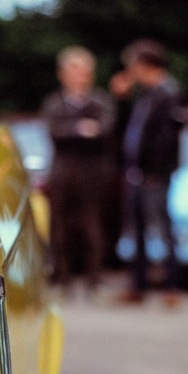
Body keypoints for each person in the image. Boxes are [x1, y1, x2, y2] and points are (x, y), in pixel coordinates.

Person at [112, 39, 182, 307]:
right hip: (136, 172)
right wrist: (122, 99)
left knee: (163, 229)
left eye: (132, 66)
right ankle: (138, 285)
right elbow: (126, 131)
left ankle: (172, 286)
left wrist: (155, 169)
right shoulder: (146, 94)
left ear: (145, 65)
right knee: (137, 230)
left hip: (153, 174)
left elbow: (166, 139)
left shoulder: (168, 93)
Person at [41, 46, 115, 297]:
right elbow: (55, 132)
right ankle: (62, 279)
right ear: (63, 74)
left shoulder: (100, 101)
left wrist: (78, 131)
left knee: (93, 228)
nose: (80, 77)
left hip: (92, 175)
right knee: (59, 229)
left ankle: (95, 280)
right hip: (63, 174)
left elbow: (106, 130)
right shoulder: (54, 103)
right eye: (74, 72)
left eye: (84, 72)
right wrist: (81, 129)